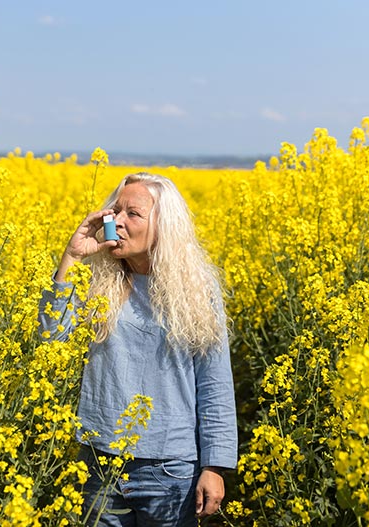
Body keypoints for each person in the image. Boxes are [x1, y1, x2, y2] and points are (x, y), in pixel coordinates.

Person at [38, 172, 238, 526]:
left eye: (133, 214)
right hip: (99, 461)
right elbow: (52, 339)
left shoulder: (197, 289)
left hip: (170, 469)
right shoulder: (98, 282)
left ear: (164, 226)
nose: (117, 221)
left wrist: (214, 466)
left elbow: (214, 382)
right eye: (115, 211)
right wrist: (71, 258)